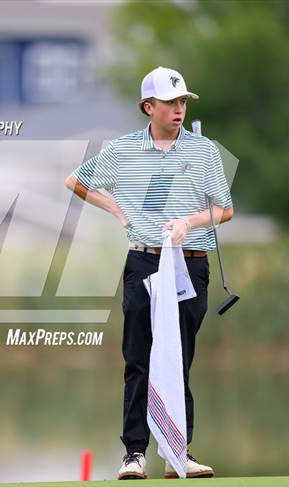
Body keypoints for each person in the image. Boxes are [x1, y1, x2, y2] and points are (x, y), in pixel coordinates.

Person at [65, 66, 233, 480]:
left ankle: (179, 453)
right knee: (138, 359)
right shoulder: (123, 150)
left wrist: (189, 222)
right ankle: (134, 454)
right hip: (144, 260)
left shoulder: (204, 151)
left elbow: (224, 210)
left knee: (179, 359)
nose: (179, 109)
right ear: (148, 107)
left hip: (190, 263)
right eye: (170, 102)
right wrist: (117, 210)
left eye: (182, 102)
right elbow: (76, 181)